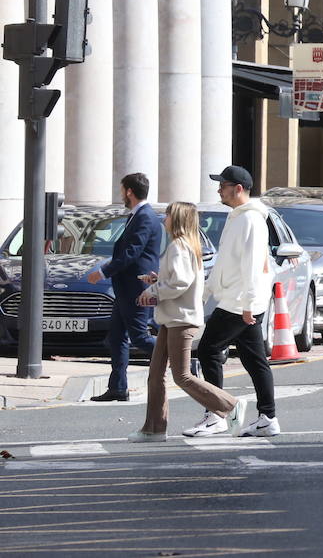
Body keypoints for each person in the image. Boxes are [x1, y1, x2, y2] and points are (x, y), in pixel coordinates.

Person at [128, 202, 244, 441]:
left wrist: (154, 291)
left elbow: (180, 283)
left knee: (181, 375)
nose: (164, 219)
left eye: (168, 215)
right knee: (156, 373)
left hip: (180, 319)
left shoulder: (179, 246)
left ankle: (230, 405)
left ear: (177, 218)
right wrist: (158, 279)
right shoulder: (185, 246)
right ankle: (154, 429)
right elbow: (179, 279)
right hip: (173, 318)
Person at [192, 166, 279, 437]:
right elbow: (226, 262)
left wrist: (249, 303)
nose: (219, 189)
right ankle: (268, 417)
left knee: (208, 350)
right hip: (241, 299)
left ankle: (217, 413)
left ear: (238, 189)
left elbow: (253, 264)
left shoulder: (249, 220)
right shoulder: (239, 217)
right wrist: (207, 290)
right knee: (254, 360)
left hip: (239, 301)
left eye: (223, 185)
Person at [86, 172, 162, 402]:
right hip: (125, 288)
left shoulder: (145, 217)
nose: (121, 195)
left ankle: (184, 359)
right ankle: (118, 387)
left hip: (137, 287)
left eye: (122, 190)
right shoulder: (137, 215)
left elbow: (132, 253)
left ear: (129, 191)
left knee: (139, 338)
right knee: (116, 337)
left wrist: (102, 272)